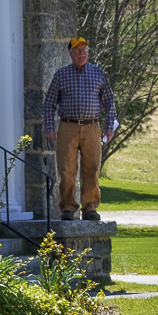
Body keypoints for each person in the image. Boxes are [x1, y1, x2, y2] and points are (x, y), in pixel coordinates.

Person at [43, 36, 117, 221]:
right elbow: (49, 103)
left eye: (84, 50)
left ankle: (90, 208)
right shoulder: (61, 75)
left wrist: (110, 127)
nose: (81, 53)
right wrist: (50, 128)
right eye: (77, 51)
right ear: (70, 54)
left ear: (88, 53)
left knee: (91, 169)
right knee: (67, 170)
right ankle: (68, 208)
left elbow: (108, 102)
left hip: (92, 127)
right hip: (68, 126)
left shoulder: (98, 73)